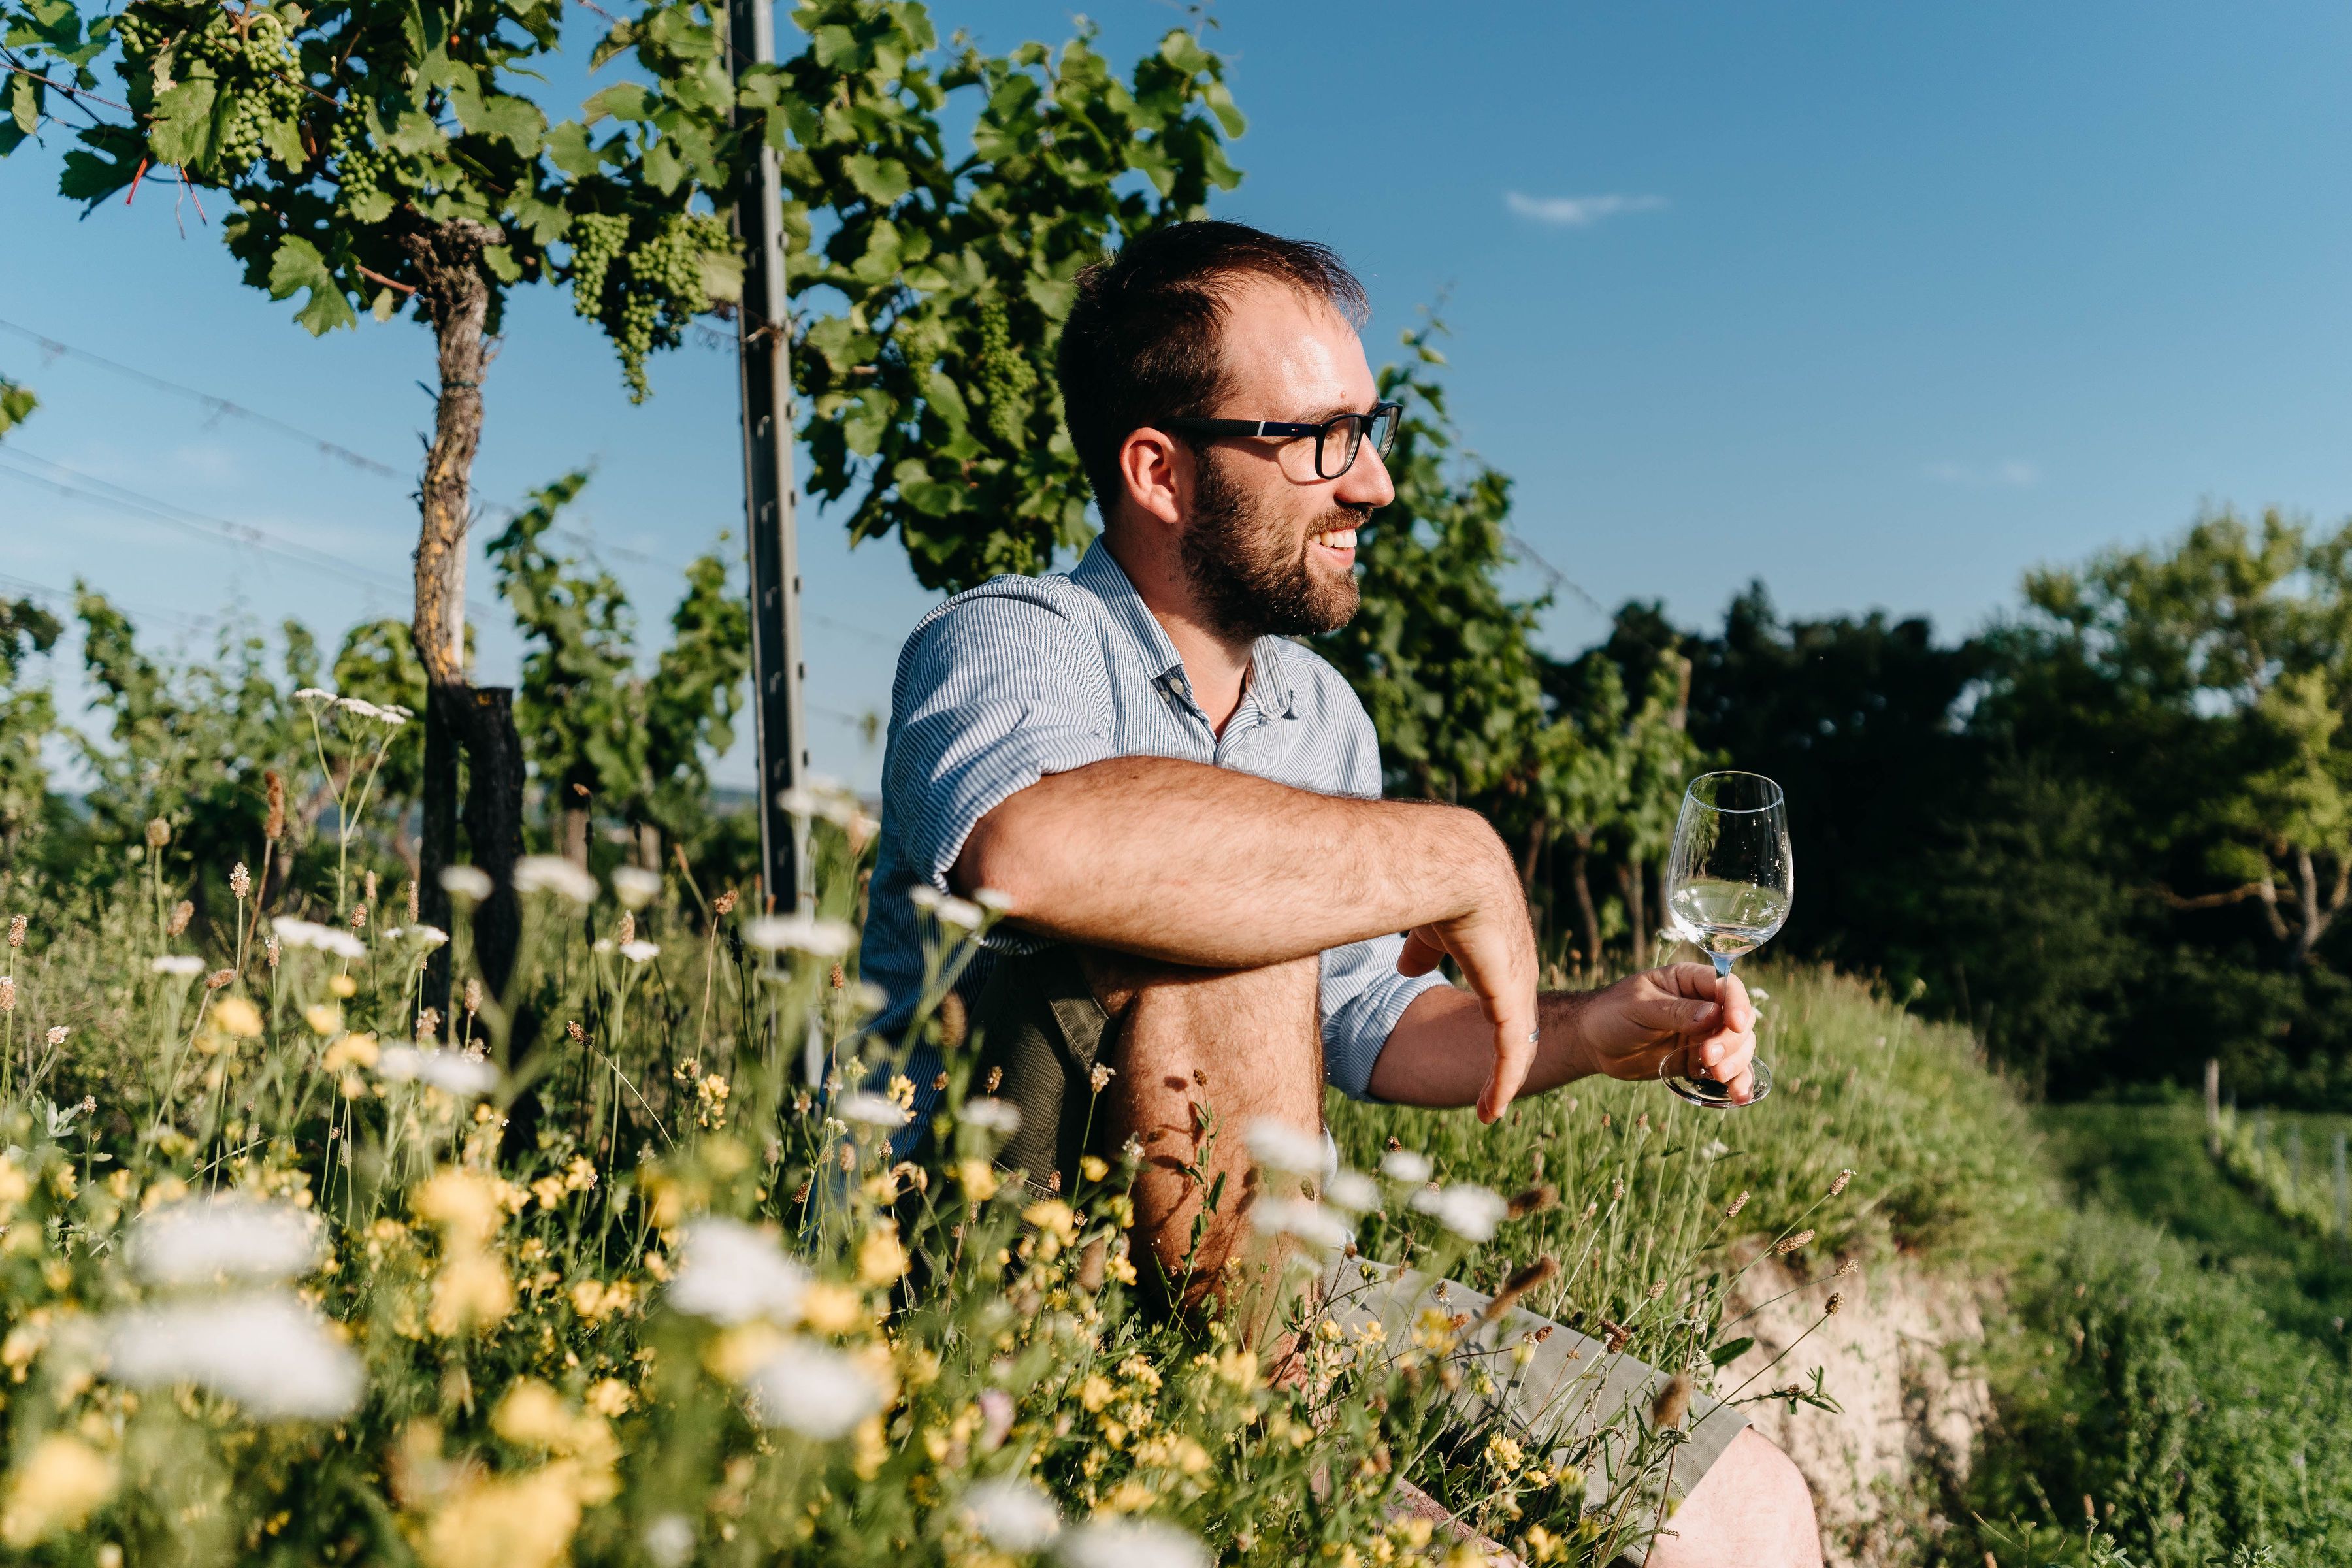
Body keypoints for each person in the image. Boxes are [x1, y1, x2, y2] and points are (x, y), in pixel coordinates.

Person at [860, 220, 1821, 1567]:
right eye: (1320, 439)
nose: (1371, 485)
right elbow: (1028, 856)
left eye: (1369, 432)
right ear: (1160, 470)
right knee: (1220, 892)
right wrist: (1455, 852)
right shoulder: (1011, 641)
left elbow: (1362, 1022)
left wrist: (1584, 1029)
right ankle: (1280, 1453)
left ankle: (1282, 1406)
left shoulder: (1320, 713)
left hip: (1270, 1292)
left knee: (1749, 1504)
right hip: (999, 1310)